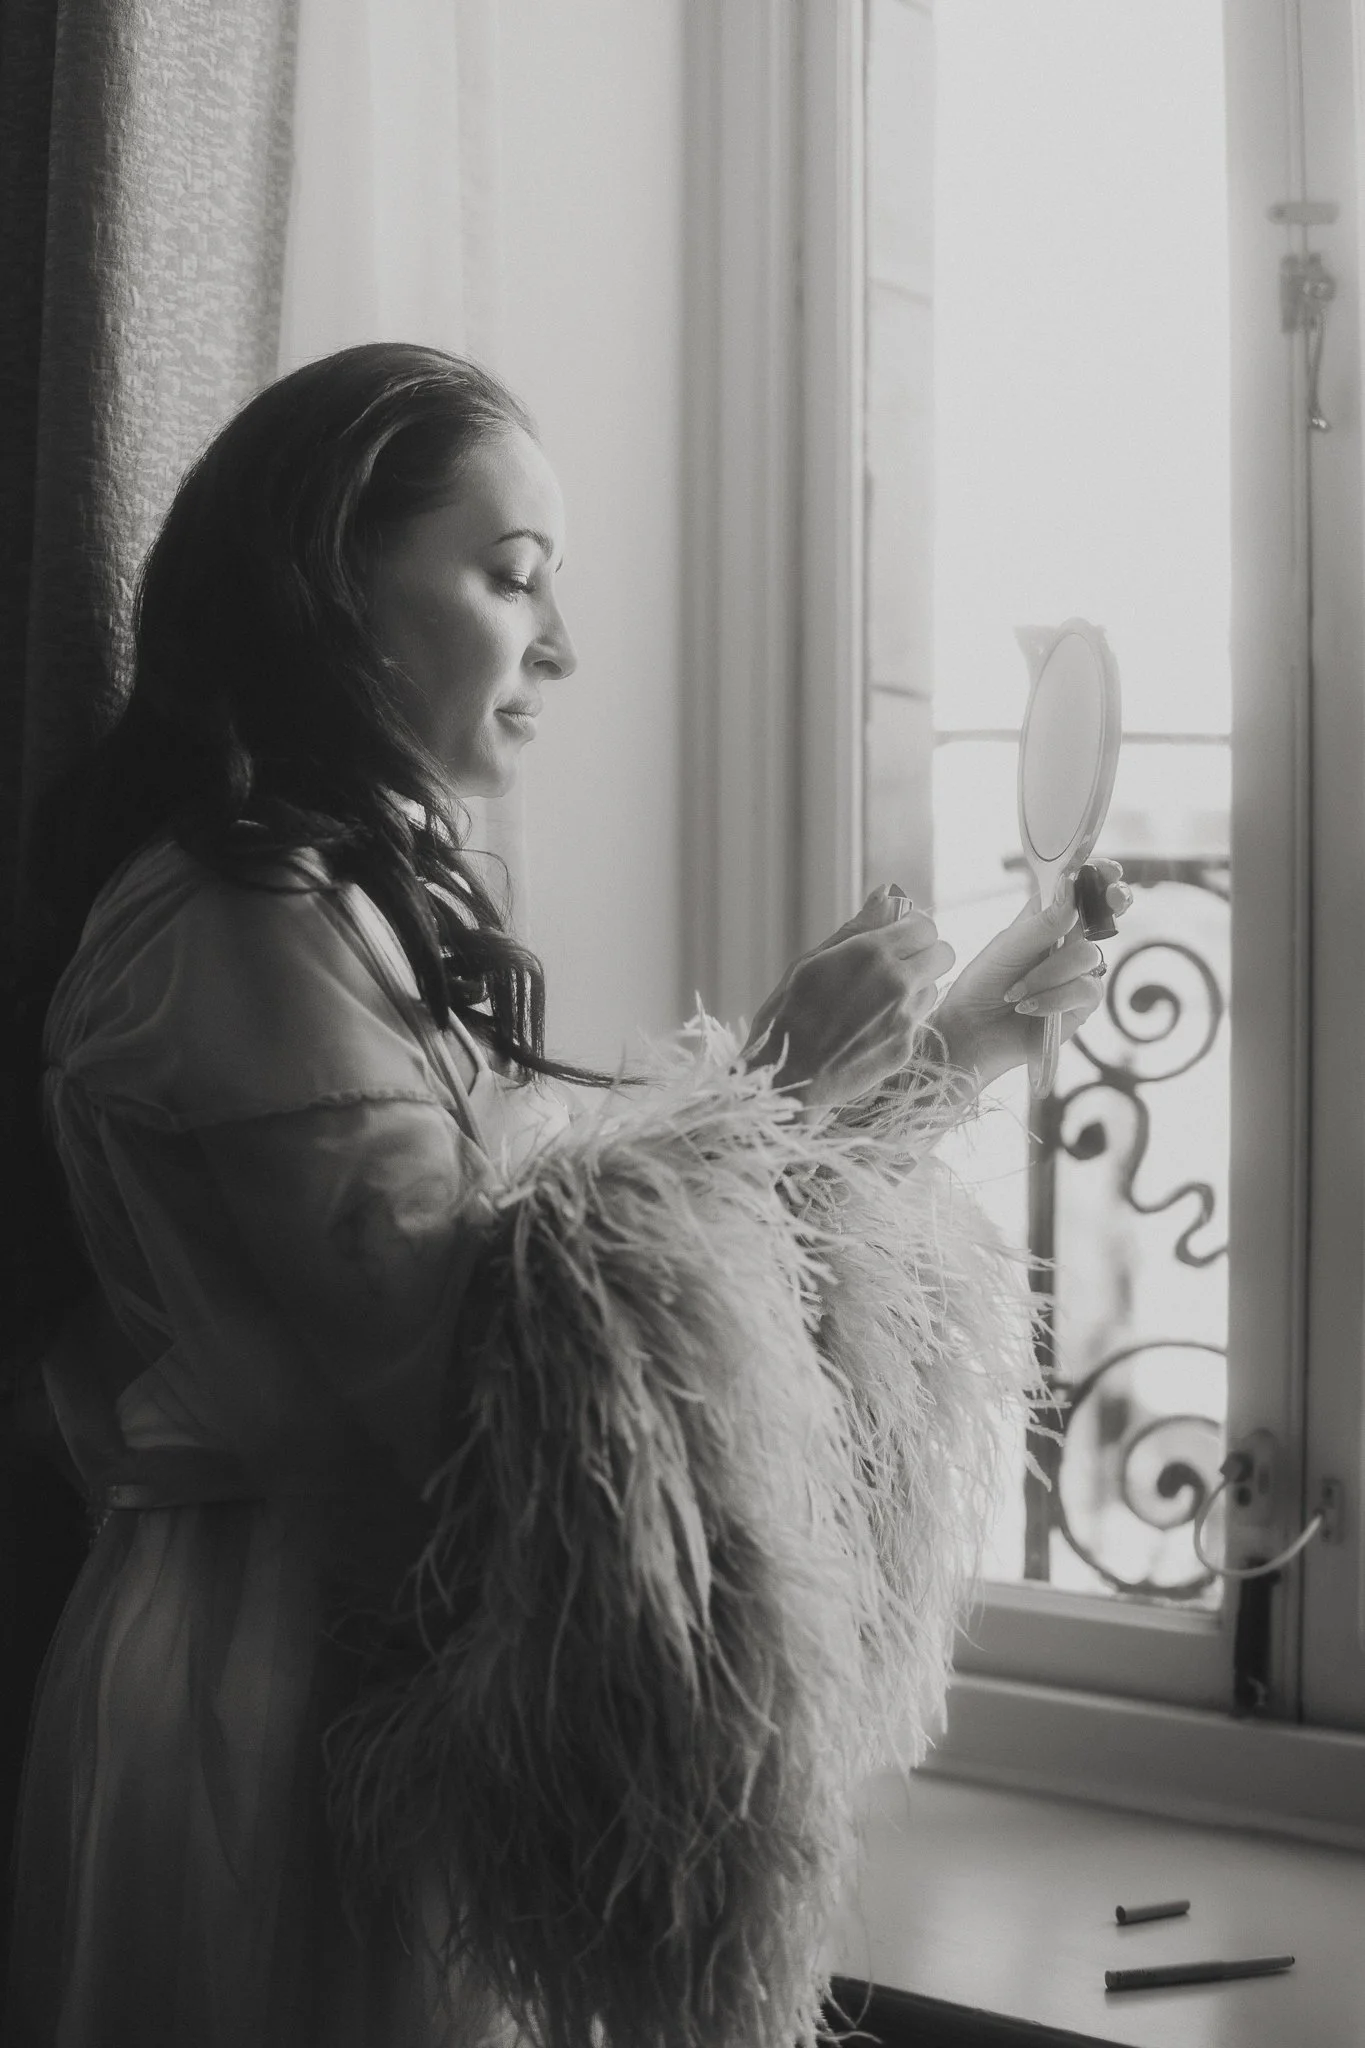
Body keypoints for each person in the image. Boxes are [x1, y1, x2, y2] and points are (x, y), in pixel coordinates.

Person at [3, 343, 1129, 2048]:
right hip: (277, 1707)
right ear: (327, 581)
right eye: (513, 575)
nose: (565, 645)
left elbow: (561, 1292)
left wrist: (940, 1056)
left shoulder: (339, 911)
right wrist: (778, 1086)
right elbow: (481, 1394)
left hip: (381, 1676)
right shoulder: (241, 927)